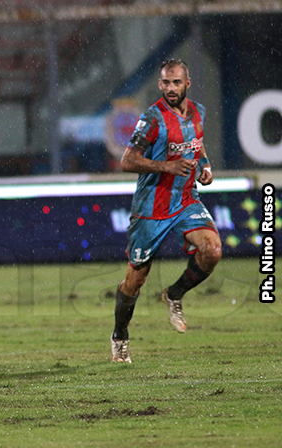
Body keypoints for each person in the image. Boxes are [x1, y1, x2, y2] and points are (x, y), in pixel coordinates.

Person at [111, 59, 221, 363]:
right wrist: (167, 167)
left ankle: (174, 294)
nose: (171, 88)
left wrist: (204, 165)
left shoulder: (198, 111)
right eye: (166, 83)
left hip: (185, 200)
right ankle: (120, 334)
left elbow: (196, 143)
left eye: (176, 82)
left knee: (212, 250)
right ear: (160, 84)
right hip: (151, 208)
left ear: (187, 84)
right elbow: (127, 161)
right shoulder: (152, 119)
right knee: (135, 280)